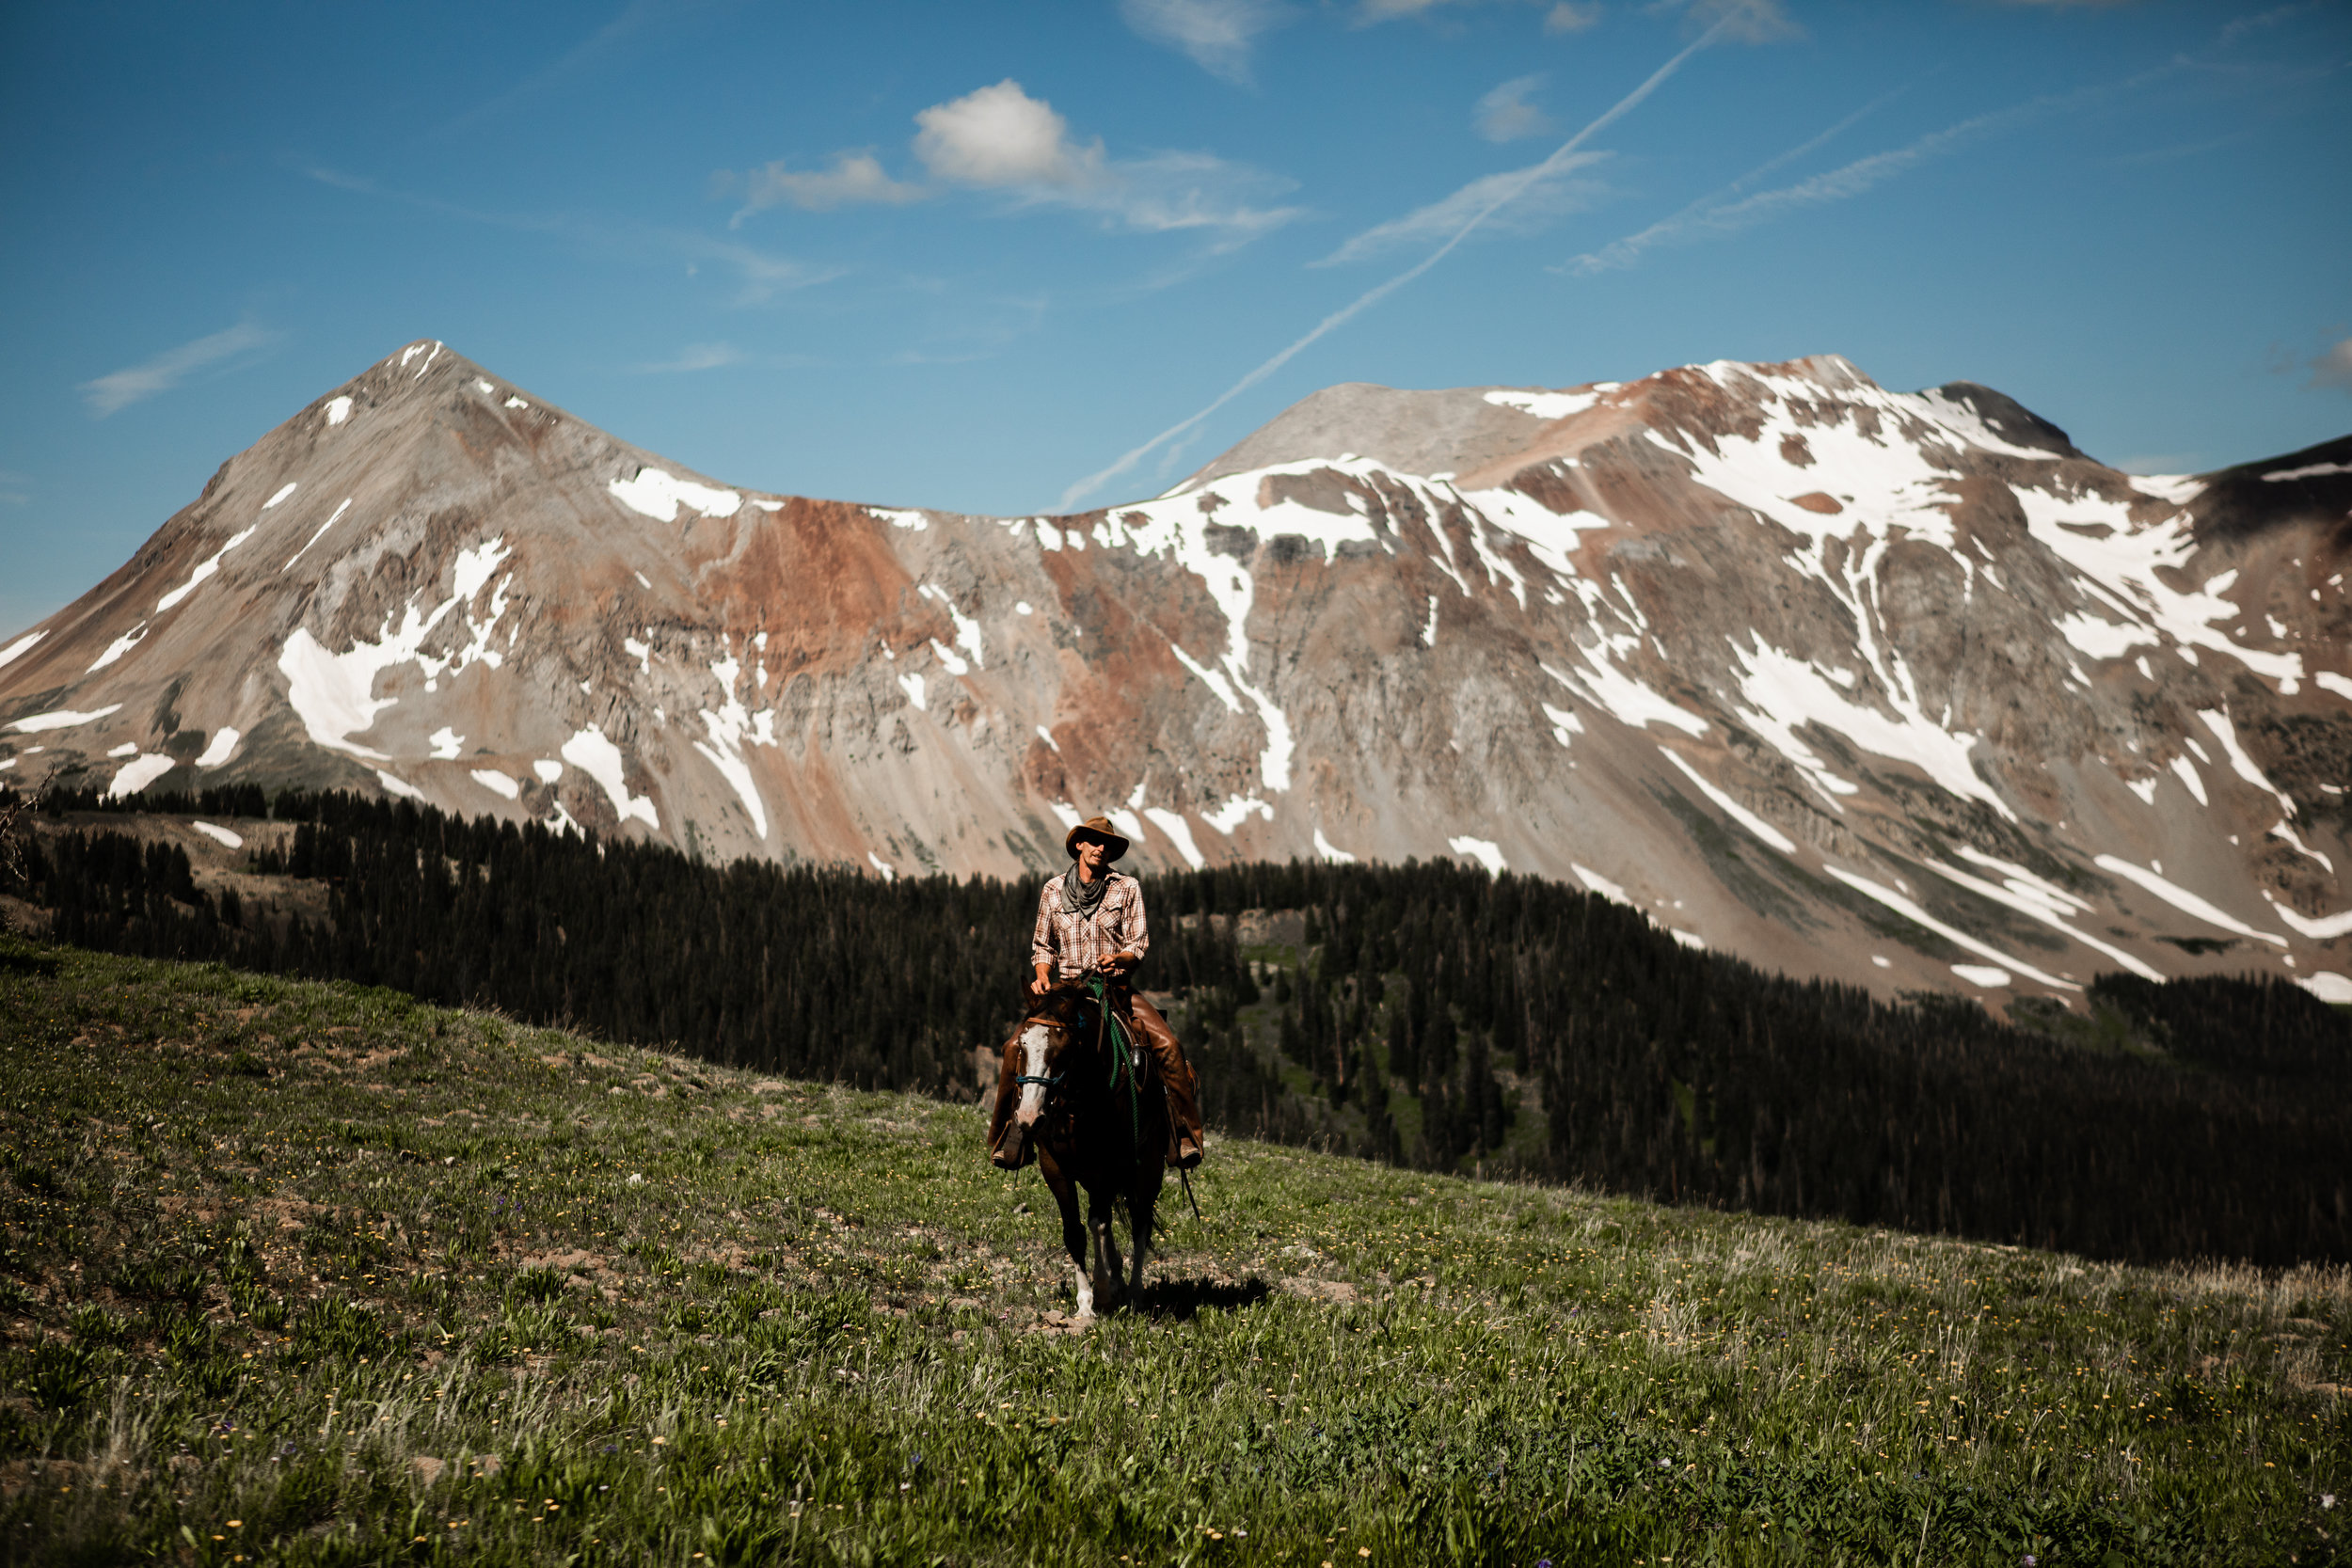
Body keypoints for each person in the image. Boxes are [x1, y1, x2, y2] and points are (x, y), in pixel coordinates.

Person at [988, 815, 1205, 1172]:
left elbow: (1139, 944)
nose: (1102, 848)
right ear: (1079, 845)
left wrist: (1119, 957)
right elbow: (1043, 945)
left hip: (1114, 988)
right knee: (1017, 1046)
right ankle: (1009, 1137)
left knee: (1168, 1045)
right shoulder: (1052, 890)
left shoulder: (1126, 887)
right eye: (1094, 841)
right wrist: (1042, 975)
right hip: (1065, 990)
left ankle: (1182, 1133)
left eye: (1108, 844)